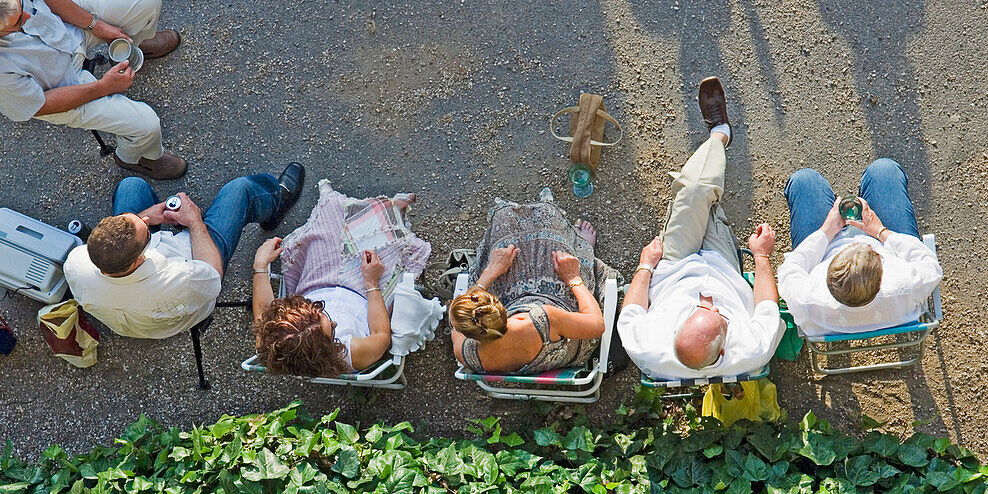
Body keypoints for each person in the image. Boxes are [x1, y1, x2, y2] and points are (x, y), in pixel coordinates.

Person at [0, 0, 187, 179]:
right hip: (58, 87)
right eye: (18, 22)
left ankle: (133, 43)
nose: (28, 17)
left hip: (65, 27)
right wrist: (103, 87)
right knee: (147, 124)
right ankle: (136, 157)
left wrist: (97, 25)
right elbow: (40, 105)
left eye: (21, 7)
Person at [618, 77, 785, 379]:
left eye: (698, 309)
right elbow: (765, 305)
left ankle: (719, 136)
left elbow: (630, 313)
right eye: (718, 315)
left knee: (694, 190)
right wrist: (761, 257)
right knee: (704, 202)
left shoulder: (647, 349)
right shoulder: (753, 349)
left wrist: (644, 267)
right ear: (723, 350)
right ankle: (711, 154)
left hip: (674, 263)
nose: (707, 303)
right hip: (723, 265)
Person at [64, 163, 304, 339]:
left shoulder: (75, 263)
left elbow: (138, 221)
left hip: (131, 318)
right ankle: (276, 203)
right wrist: (195, 221)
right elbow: (212, 273)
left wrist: (142, 217)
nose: (147, 219)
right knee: (239, 190)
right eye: (147, 229)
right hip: (193, 272)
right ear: (138, 260)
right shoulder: (182, 280)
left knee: (131, 186)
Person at [252, 179, 437, 377]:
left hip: (314, 281)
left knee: (330, 218)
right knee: (382, 247)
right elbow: (381, 335)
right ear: (322, 352)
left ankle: (335, 201)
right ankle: (393, 211)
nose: (334, 324)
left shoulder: (275, 343)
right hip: (366, 295)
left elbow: (264, 314)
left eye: (322, 315)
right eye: (330, 330)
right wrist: (371, 283)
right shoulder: (353, 353)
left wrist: (260, 266)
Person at [448, 188, 618, 375]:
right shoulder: (541, 320)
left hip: (523, 313)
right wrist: (573, 278)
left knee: (505, 222)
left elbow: (457, 318)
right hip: (572, 334)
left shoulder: (466, 352)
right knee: (554, 239)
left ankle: (576, 246)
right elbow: (596, 325)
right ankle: (582, 249)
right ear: (496, 302)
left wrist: (489, 273)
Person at [776, 161, 943, 337]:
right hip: (878, 238)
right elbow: (929, 264)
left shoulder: (806, 299)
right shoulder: (907, 285)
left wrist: (827, 230)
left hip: (825, 248)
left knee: (804, 180)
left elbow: (790, 268)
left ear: (829, 276)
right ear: (881, 278)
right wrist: (880, 231)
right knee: (883, 170)